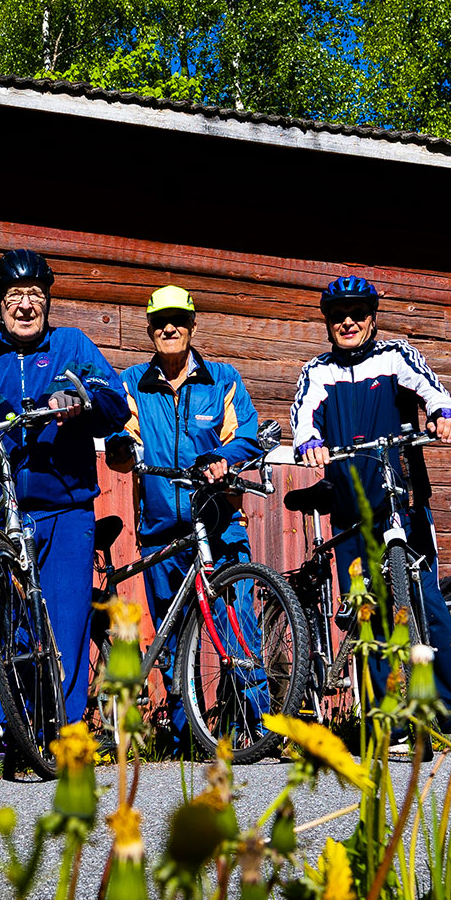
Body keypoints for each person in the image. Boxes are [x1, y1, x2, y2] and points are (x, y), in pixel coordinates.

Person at [0, 249, 128, 773]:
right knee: (9, 627)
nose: (26, 306)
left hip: (65, 510)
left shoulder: (72, 345)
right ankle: (11, 732)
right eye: (15, 297)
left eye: (36, 297)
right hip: (3, 515)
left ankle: (68, 736)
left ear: (47, 302)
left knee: (66, 625)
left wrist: (82, 397)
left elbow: (116, 405)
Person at [289, 275, 451, 722]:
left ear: (371, 319)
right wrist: (309, 443)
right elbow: (303, 421)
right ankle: (383, 720)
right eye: (337, 316)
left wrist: (445, 414)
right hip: (350, 511)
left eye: (356, 314)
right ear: (328, 323)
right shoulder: (317, 372)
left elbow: (436, 394)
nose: (347, 322)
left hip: (401, 502)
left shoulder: (396, 357)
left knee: (429, 603)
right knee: (366, 614)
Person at [104, 286, 266, 753]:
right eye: (159, 322)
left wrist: (222, 457)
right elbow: (123, 436)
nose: (168, 329)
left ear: (192, 325)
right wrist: (121, 451)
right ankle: (184, 739)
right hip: (161, 533)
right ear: (150, 329)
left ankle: (257, 729)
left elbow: (249, 436)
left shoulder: (222, 379)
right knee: (174, 641)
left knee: (238, 628)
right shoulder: (134, 381)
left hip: (218, 528)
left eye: (177, 320)